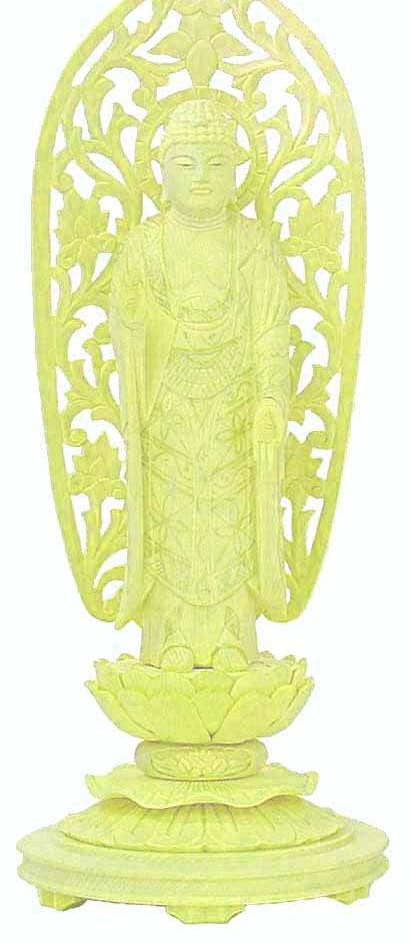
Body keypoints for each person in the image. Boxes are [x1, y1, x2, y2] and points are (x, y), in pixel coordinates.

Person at [109, 99, 290, 671]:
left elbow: (272, 327)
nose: (202, 177)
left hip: (235, 407)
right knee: (172, 518)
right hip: (166, 407)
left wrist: (270, 398)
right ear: (162, 172)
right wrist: (134, 319)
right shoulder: (144, 245)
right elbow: (124, 321)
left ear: (237, 171)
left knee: (232, 517)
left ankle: (234, 635)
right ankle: (170, 638)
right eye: (186, 164)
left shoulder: (253, 243)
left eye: (217, 163)